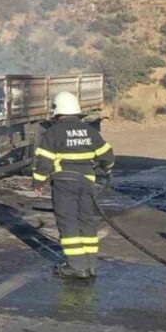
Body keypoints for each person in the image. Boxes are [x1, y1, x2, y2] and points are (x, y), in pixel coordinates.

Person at [33, 91, 115, 280]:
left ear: (57, 111)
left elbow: (44, 160)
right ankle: (90, 265)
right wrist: (106, 168)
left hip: (64, 183)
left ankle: (76, 266)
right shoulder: (89, 130)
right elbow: (107, 156)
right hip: (87, 183)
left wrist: (38, 182)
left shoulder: (54, 132)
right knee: (86, 220)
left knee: (68, 221)